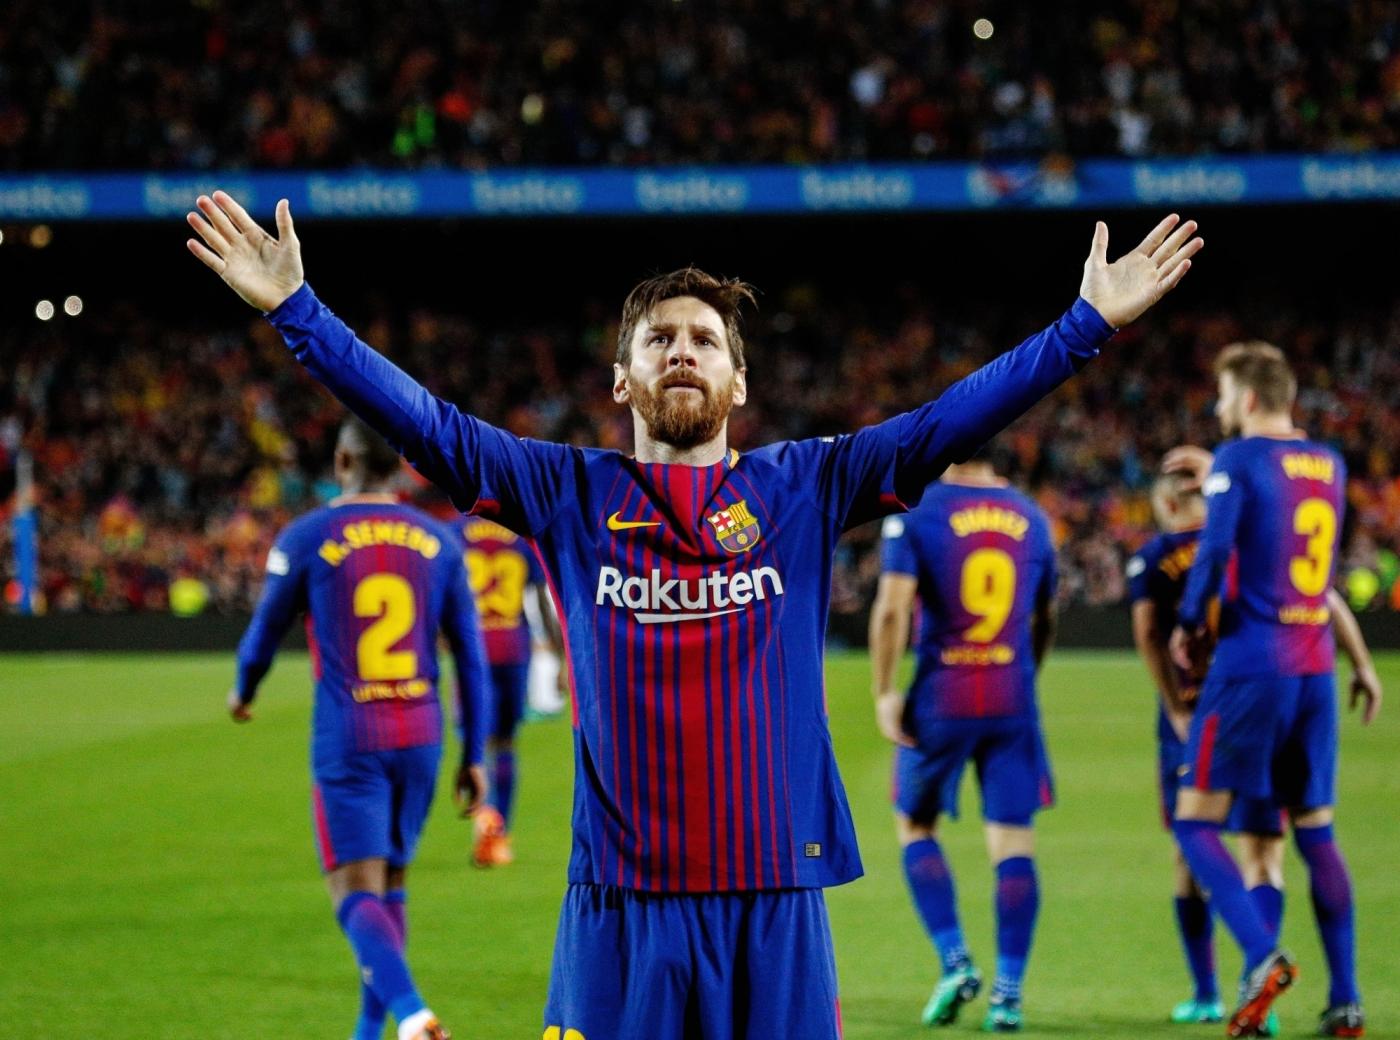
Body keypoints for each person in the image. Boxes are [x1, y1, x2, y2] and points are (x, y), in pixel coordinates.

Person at [187, 189, 1201, 1039]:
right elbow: (428, 424)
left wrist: (1086, 326)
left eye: (705, 338)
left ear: (738, 378)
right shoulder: (563, 493)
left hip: (774, 900)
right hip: (617, 907)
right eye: (660, 337)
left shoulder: (805, 485)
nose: (684, 350)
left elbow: (948, 419)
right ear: (621, 377)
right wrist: (297, 311)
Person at [230, 416, 490, 1040]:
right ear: (400, 469)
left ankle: (411, 1014)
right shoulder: (440, 541)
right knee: (391, 885)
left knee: (353, 889)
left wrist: (245, 689)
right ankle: (368, 1033)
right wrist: (474, 754)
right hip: (422, 734)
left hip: (352, 735)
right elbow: (471, 658)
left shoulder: (307, 535)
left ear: (342, 465)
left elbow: (264, 633)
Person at [1170, 344, 1380, 1038]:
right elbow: (1305, 570)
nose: (1222, 410)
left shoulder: (1239, 459)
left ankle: (1263, 957)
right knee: (1301, 831)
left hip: (1251, 667)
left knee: (1195, 822)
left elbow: (1215, 552)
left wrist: (1187, 626)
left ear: (1251, 398)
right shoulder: (1328, 463)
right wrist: (1361, 661)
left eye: (1226, 397)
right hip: (1313, 666)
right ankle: (1345, 1001)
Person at [868, 456, 1057, 1032]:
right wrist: (1029, 673)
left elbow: (894, 607)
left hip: (942, 696)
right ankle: (1008, 993)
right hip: (1010, 693)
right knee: (1013, 843)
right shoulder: (1032, 515)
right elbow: (1044, 616)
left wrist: (884, 690)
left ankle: (954, 961)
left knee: (916, 824)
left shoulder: (918, 512)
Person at [460, 513, 562, 866]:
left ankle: (485, 828)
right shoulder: (518, 534)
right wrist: (561, 655)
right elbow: (542, 601)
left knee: (477, 746)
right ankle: (500, 831)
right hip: (512, 649)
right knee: (505, 743)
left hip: (472, 651)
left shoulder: (456, 533)